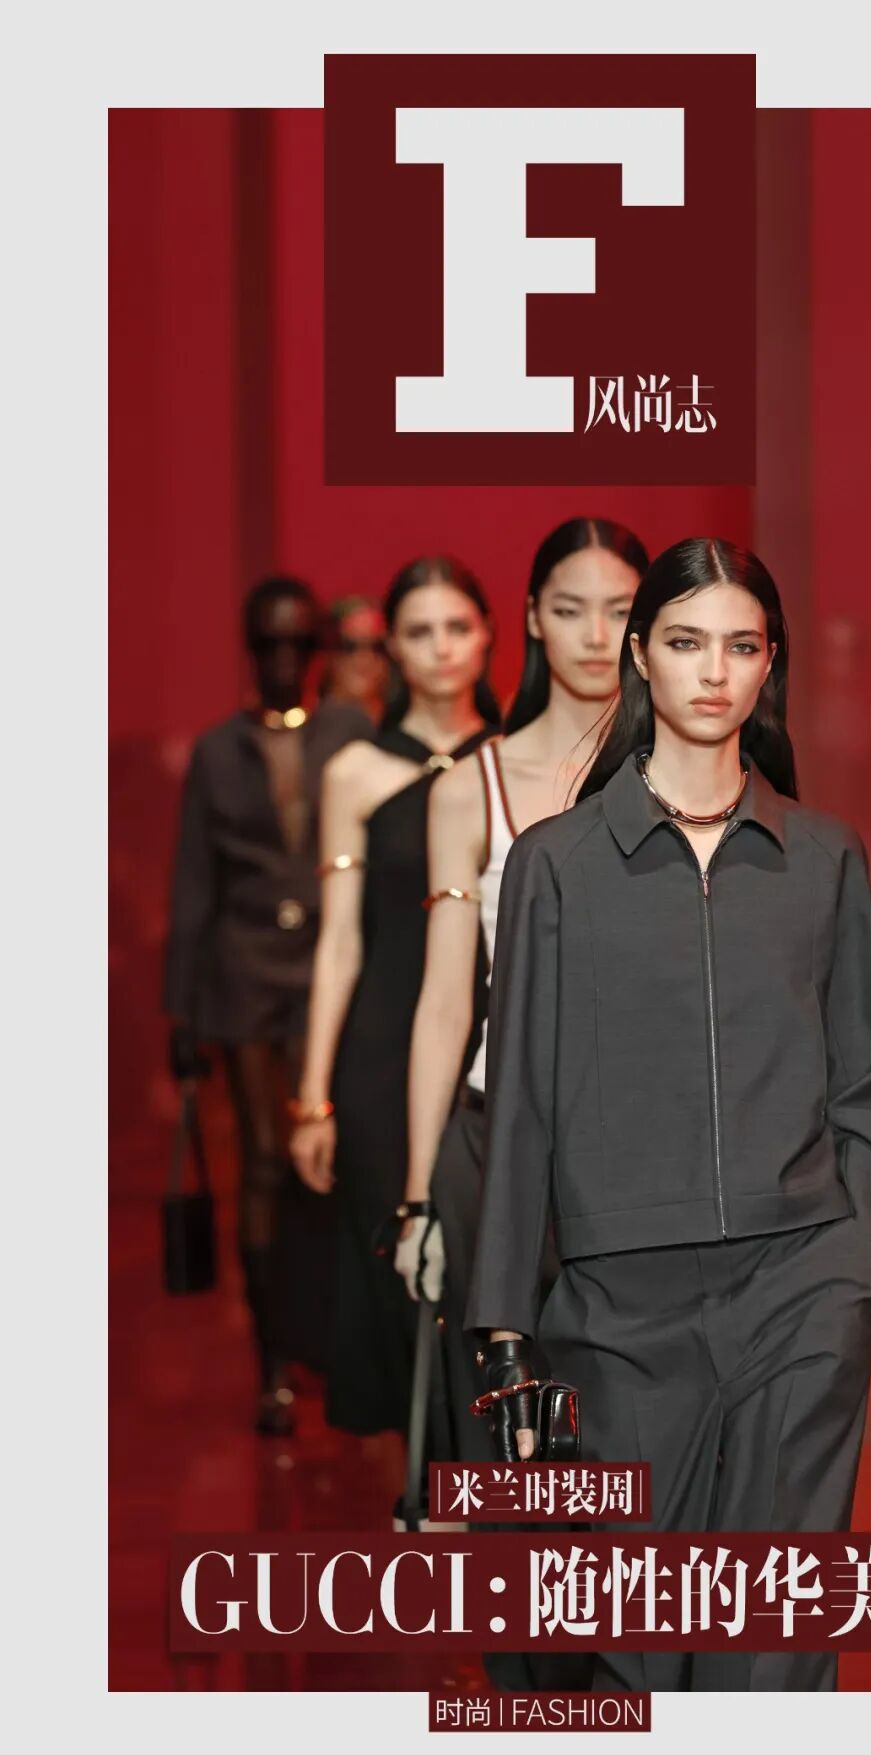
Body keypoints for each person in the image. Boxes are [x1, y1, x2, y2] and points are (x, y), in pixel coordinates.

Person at [465, 538, 871, 1693]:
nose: (713, 672)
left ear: (770, 665)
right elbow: (520, 1098)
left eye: (741, 645)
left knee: (775, 1640)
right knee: (638, 1645)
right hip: (623, 1301)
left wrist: (865, 1257)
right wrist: (505, 1313)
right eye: (685, 642)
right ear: (641, 657)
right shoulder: (558, 866)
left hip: (801, 1282)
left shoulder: (822, 858)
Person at [393, 518, 650, 1457]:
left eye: (619, 611)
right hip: (494, 1133)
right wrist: (417, 1196)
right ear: (533, 618)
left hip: (639, 1143)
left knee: (623, 1435)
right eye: (571, 610)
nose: (595, 635)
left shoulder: (678, 775)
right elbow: (445, 1002)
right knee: (509, 1444)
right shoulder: (472, 786)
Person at [289, 555, 499, 1441]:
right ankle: (426, 1491)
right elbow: (340, 941)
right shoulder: (356, 771)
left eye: (458, 627)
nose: (441, 648)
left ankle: (486, 1481)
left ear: (490, 636)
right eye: (419, 631)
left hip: (493, 1042)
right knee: (402, 1276)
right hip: (380, 1054)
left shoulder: (519, 761)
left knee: (492, 1269)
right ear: (391, 651)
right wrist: (313, 1096)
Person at [164, 574, 374, 1435]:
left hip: (333, 970)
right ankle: (272, 1365)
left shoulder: (348, 731)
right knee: (261, 1160)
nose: (283, 659)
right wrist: (182, 1013)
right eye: (268, 644)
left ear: (315, 649)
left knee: (332, 1161)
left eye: (297, 643)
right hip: (246, 972)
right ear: (250, 650)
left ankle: (330, 1342)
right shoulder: (220, 751)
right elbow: (194, 881)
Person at [321, 594, 389, 726]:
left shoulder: (404, 727)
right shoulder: (304, 728)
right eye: (350, 647)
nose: (365, 659)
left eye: (377, 647)